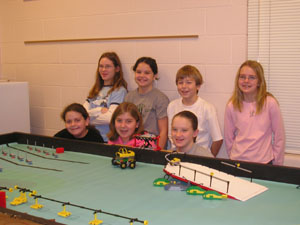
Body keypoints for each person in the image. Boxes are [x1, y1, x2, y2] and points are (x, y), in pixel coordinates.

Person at [224, 60, 285, 165]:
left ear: (259, 81)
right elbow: (228, 137)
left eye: (252, 77)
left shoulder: (270, 103)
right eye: (242, 77)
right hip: (238, 161)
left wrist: (277, 164)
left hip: (264, 162)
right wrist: (232, 156)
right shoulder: (232, 105)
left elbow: (279, 136)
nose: (246, 81)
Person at [167, 65, 223, 157]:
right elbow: (170, 135)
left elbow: (217, 139)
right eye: (180, 83)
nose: (184, 86)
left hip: (199, 156)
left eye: (189, 82)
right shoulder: (172, 106)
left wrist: (208, 159)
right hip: (177, 156)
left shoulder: (207, 108)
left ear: (198, 86)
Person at [125, 57, 169, 149]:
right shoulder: (129, 97)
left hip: (152, 146)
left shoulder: (161, 99)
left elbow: (163, 131)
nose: (142, 75)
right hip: (132, 144)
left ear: (155, 75)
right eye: (138, 72)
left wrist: (158, 152)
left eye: (147, 73)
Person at [83, 52, 127, 142]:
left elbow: (110, 118)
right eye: (101, 66)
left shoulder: (119, 91)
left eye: (108, 66)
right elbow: (81, 114)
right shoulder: (95, 89)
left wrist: (85, 120)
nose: (103, 69)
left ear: (117, 69)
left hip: (106, 140)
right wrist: (98, 111)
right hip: (90, 138)